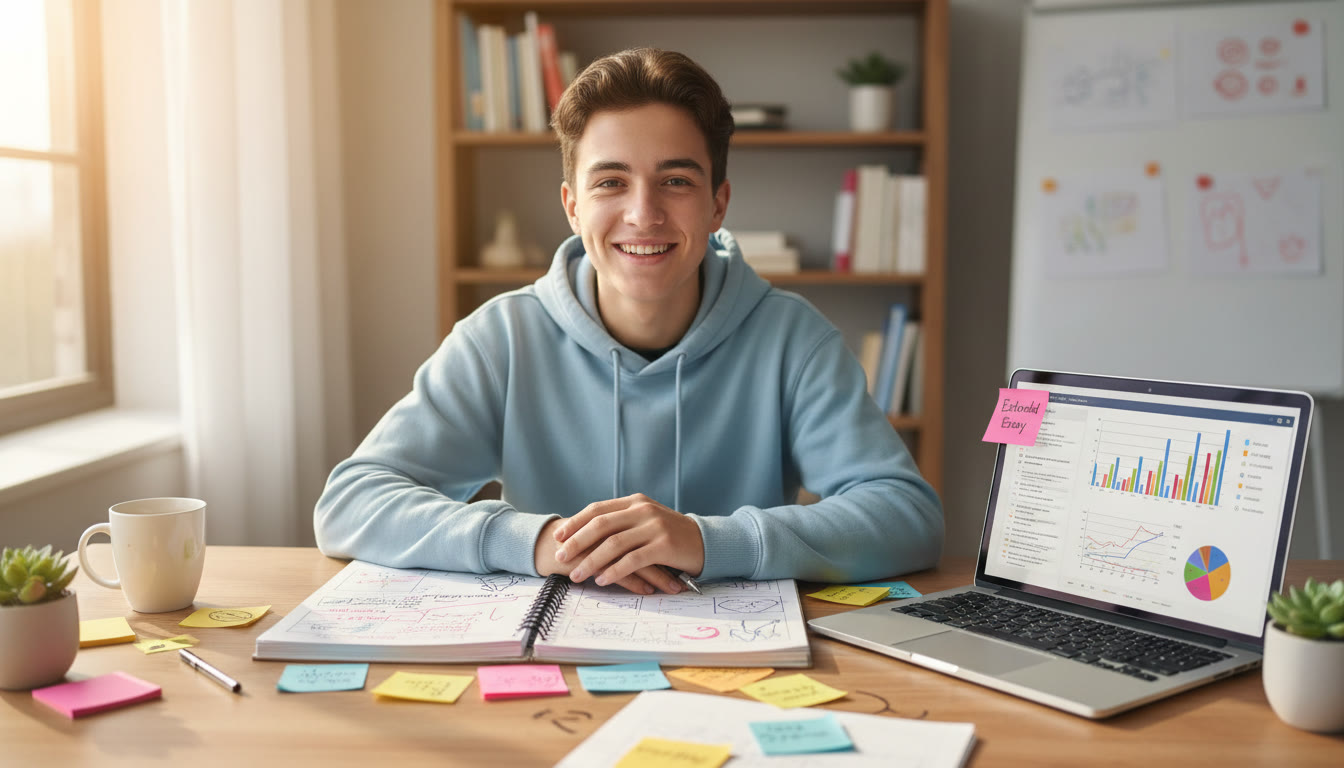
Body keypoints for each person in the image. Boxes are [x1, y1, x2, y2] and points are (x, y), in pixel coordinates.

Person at [314, 48, 942, 595]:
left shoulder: (793, 340)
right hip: (551, 659)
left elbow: (907, 516)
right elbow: (350, 503)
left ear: (718, 203)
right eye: (611, 181)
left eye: (675, 180)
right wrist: (540, 542)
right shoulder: (500, 339)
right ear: (571, 205)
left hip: (737, 661)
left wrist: (705, 540)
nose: (643, 214)